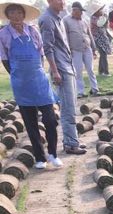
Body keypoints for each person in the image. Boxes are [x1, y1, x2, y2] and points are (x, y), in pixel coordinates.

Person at [0, 1, 61, 168]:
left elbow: (41, 52)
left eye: (18, 12)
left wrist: (37, 69)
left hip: (39, 81)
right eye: (11, 12)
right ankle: (40, 158)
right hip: (21, 83)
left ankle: (53, 154)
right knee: (30, 122)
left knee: (50, 119)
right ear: (7, 15)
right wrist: (18, 74)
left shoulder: (33, 30)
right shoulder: (3, 34)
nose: (16, 16)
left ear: (23, 14)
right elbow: (5, 59)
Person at [39, 0, 85, 154]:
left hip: (67, 65)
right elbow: (48, 47)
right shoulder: (47, 19)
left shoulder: (58, 18)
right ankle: (71, 144)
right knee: (67, 108)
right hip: (61, 68)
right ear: (50, 1)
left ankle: (73, 139)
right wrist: (55, 71)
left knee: (71, 105)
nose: (62, 2)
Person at [63, 0, 98, 97]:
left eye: (82, 11)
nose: (81, 13)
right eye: (80, 11)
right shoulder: (66, 20)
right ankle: (80, 92)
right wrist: (68, 50)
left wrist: (94, 49)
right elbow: (65, 36)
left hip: (87, 48)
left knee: (90, 69)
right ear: (74, 10)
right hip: (75, 49)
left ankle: (95, 89)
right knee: (78, 71)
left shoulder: (85, 19)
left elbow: (89, 34)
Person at [90, 2, 112, 75]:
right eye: (100, 10)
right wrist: (104, 17)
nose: (101, 11)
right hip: (97, 38)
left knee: (103, 54)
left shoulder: (101, 17)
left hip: (103, 37)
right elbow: (99, 24)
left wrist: (105, 18)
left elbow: (106, 26)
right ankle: (106, 72)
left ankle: (101, 71)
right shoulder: (93, 18)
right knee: (103, 54)